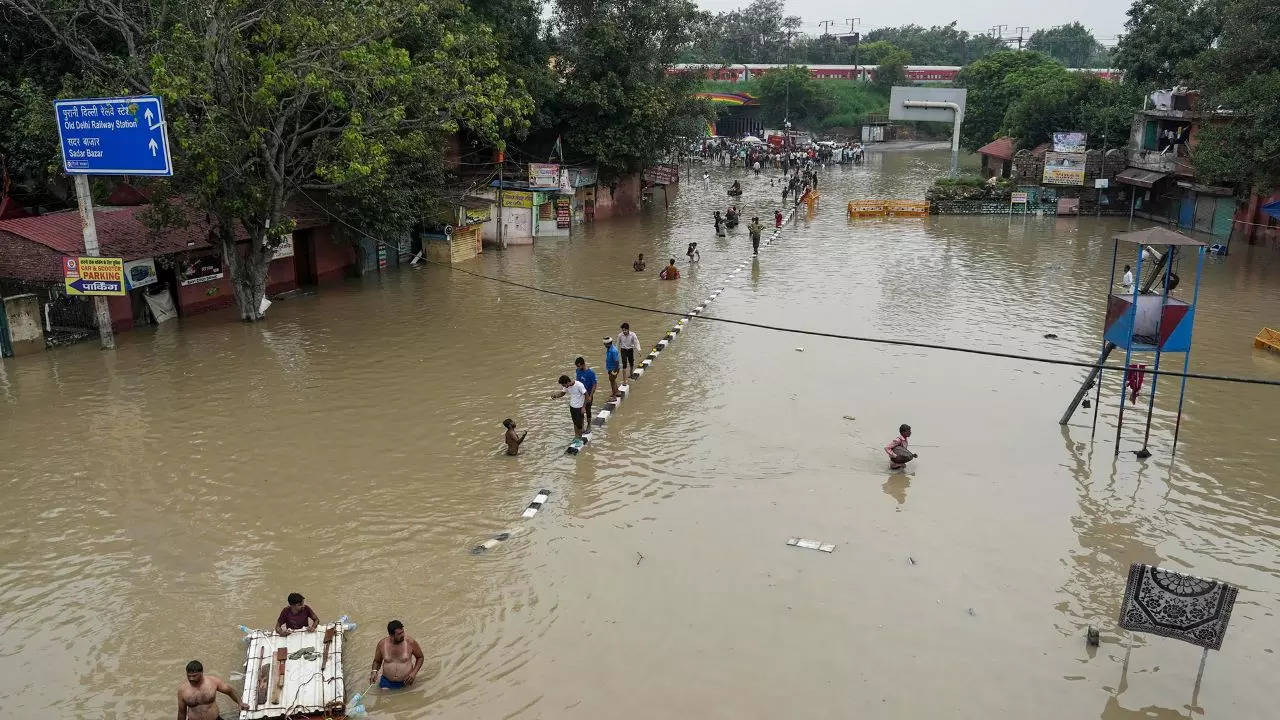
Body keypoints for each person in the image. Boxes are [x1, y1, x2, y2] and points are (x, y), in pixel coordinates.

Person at [177, 660, 248, 720]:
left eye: (194, 676)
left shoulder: (212, 681)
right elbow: (181, 712)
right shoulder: (182, 690)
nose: (191, 678)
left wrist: (240, 702)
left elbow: (229, 691)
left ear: (201, 673)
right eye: (189, 676)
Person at [370, 620, 424, 689]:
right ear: (391, 635)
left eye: (403, 632)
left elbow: (420, 657)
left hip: (407, 682)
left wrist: (413, 673)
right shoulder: (382, 644)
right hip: (386, 682)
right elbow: (377, 661)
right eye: (399, 634)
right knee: (384, 699)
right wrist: (374, 671)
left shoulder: (410, 642)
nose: (403, 635)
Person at [574, 357, 597, 426]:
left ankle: (589, 425)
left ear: (582, 364)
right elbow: (577, 382)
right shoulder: (578, 371)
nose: (577, 367)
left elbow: (594, 385)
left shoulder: (591, 373)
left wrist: (590, 396)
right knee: (580, 410)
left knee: (588, 410)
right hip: (580, 394)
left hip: (588, 393)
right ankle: (582, 425)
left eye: (578, 366)